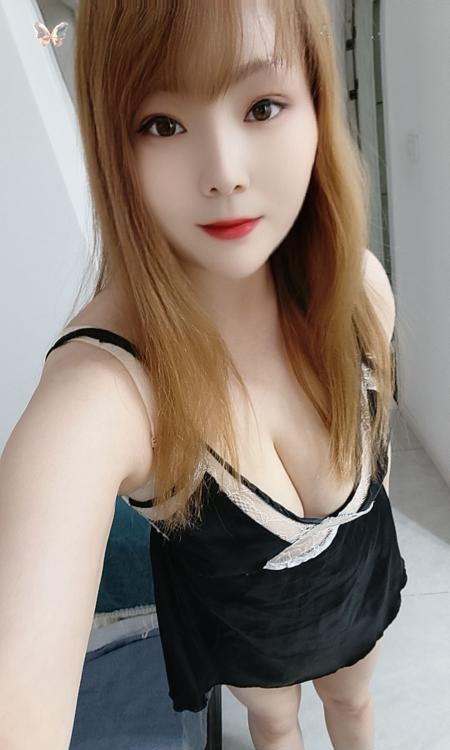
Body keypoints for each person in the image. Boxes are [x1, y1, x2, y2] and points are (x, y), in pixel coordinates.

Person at [0, 1, 407, 749]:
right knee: (275, 724)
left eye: (262, 106)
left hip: (360, 590)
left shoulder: (363, 294)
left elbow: (378, 475)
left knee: (354, 707)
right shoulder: (109, 392)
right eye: (162, 123)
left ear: (317, 101)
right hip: (251, 640)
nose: (222, 173)